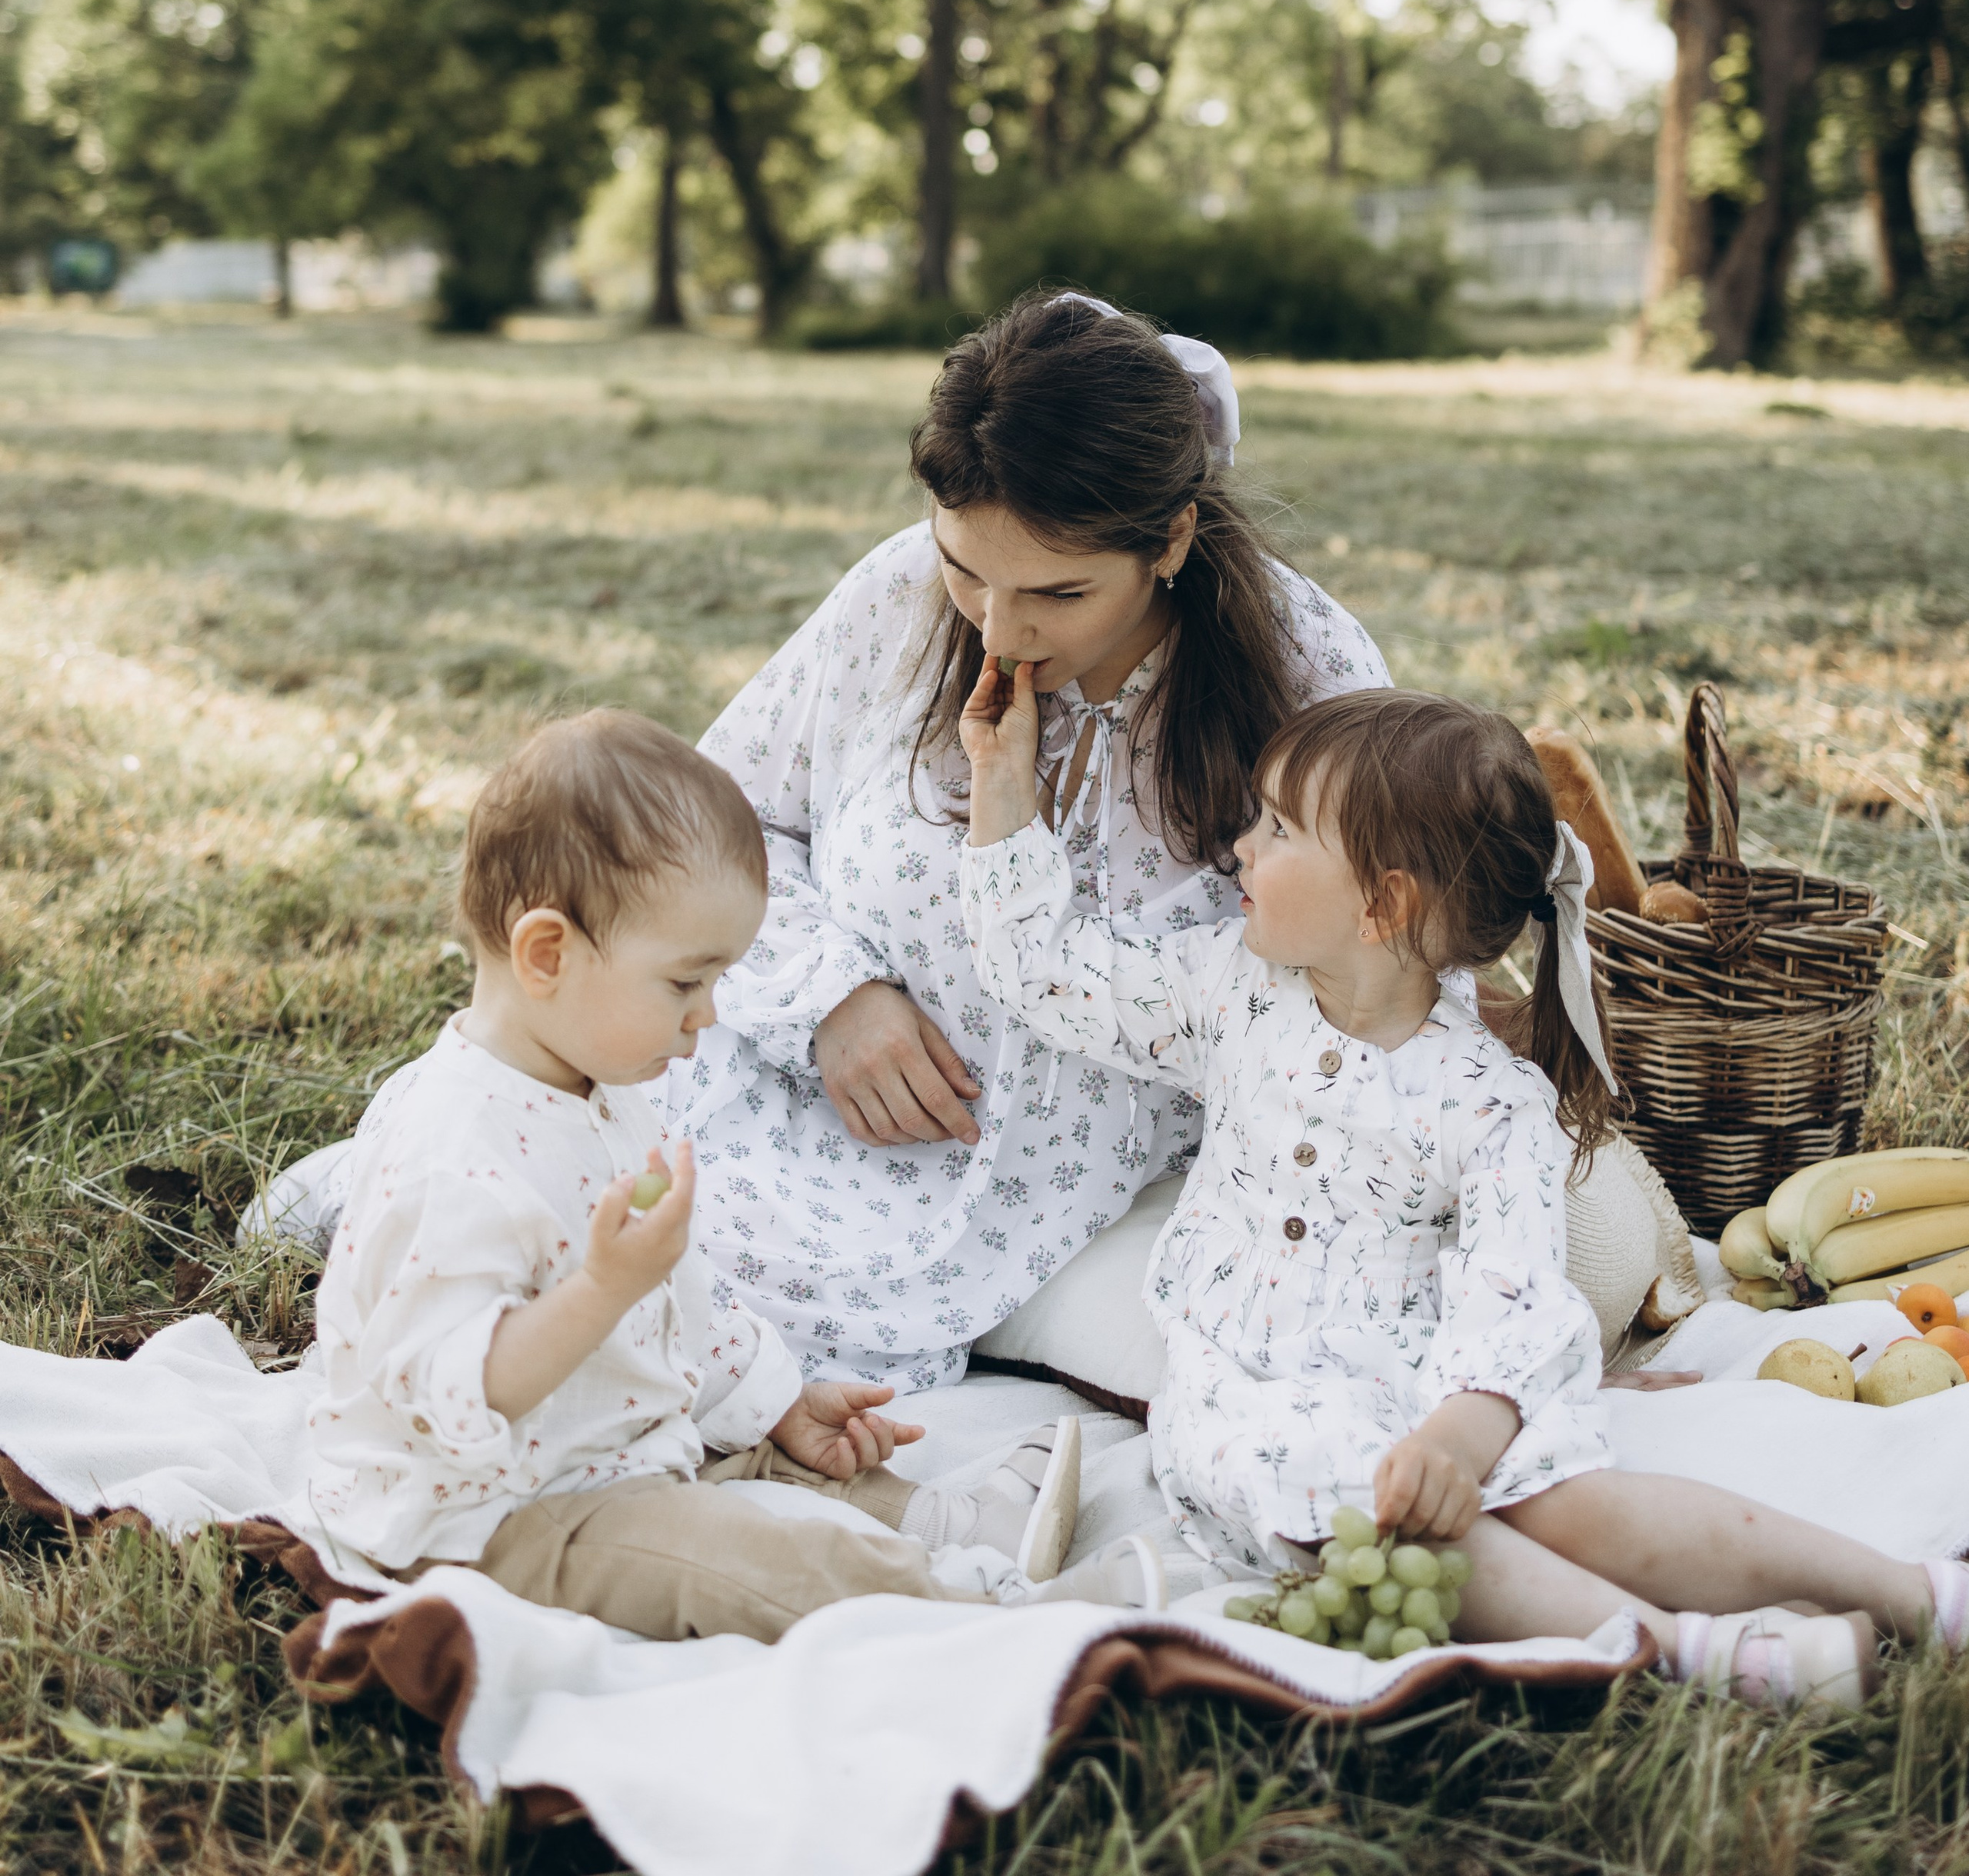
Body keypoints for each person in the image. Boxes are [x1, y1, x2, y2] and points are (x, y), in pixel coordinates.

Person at [958, 676, 1969, 1706]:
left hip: (1435, 1369)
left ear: (1382, 904)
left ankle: (1910, 1589)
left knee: (1570, 1501)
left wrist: (1465, 1430)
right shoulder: (1230, 988)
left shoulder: (1489, 1103)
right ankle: (1693, 1655)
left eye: (1277, 829)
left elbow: (1516, 1290)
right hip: (1257, 1379)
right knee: (1365, 1500)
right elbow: (1051, 975)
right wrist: (1000, 791)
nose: (1240, 850)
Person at [303, 707, 1164, 1638]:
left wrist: (777, 1399)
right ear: (546, 954)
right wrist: (600, 1290)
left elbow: (677, 1304)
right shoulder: (453, 1153)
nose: (708, 1016)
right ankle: (993, 1618)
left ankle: (948, 1523)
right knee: (745, 1556)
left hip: (600, 1447)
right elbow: (453, 1390)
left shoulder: (593, 1089)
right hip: (490, 1519)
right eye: (684, 983)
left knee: (759, 1453)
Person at [677, 292, 1388, 1387]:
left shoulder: (1305, 667)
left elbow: (1381, 950)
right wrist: (833, 996)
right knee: (575, 1237)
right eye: (967, 568)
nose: (999, 632)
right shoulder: (892, 601)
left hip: (1126, 1200)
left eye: (1059, 592)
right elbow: (715, 820)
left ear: (1172, 540)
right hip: (812, 1130)